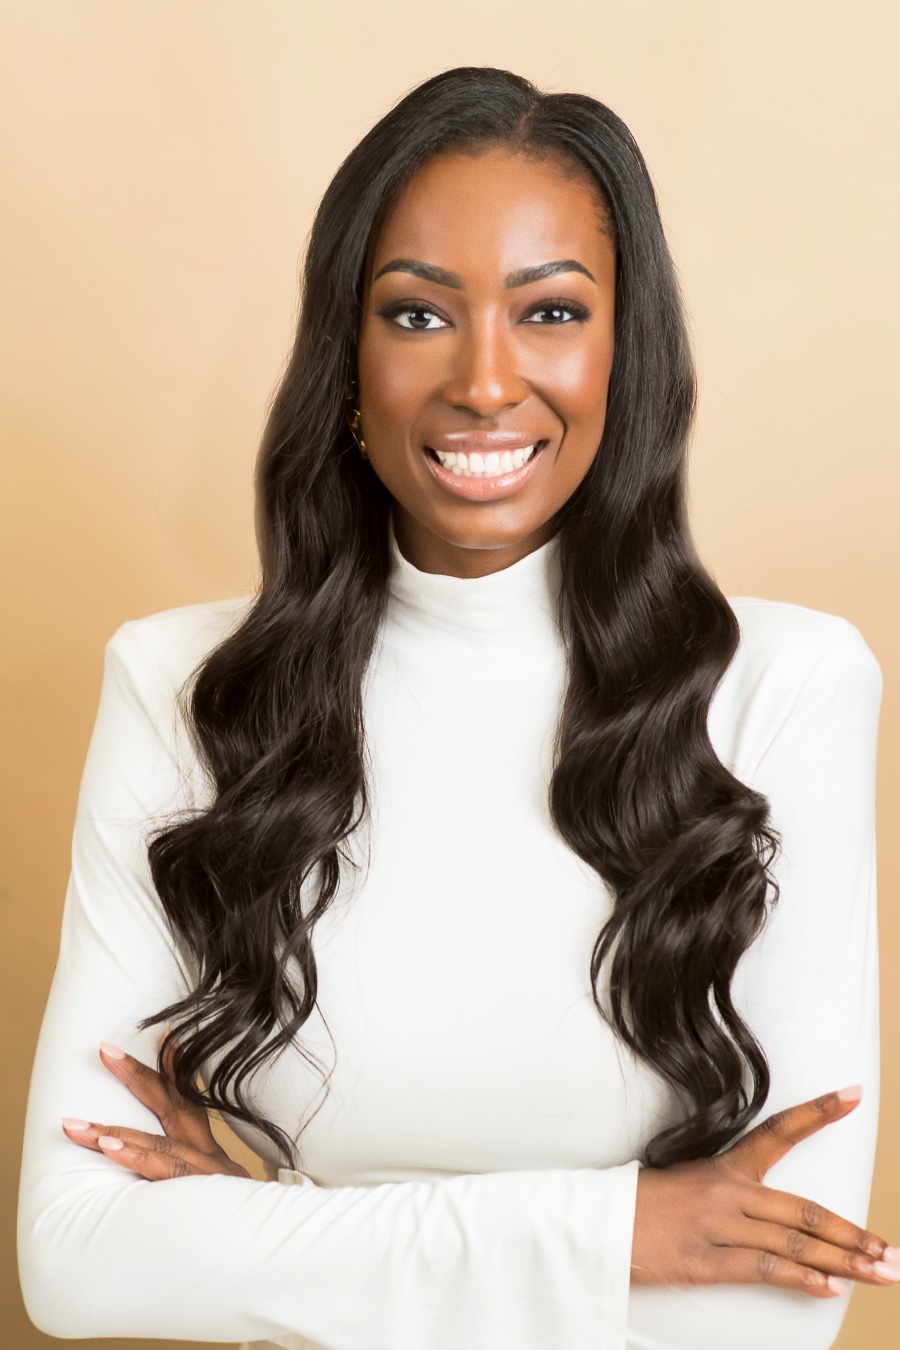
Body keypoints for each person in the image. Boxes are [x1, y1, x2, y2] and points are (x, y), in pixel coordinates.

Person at [17, 66, 892, 1350]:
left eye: (551, 311)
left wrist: (285, 1223)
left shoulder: (788, 688)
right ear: (347, 360)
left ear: (626, 354)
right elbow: (76, 1262)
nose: (485, 382)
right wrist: (616, 1235)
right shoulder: (182, 686)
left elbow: (761, 1319)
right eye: (419, 314)